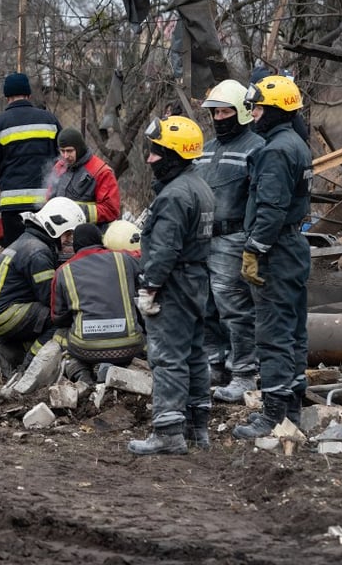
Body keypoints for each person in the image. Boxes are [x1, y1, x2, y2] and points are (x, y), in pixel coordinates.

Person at [128, 115, 215, 456]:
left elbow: (164, 249)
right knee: (194, 354)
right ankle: (197, 427)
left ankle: (167, 431)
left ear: (176, 155)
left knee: (167, 357)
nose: (150, 159)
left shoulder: (174, 196)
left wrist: (149, 288)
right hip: (196, 281)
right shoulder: (199, 186)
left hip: (174, 284)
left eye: (157, 152)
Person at [233, 75, 312, 439]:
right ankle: (292, 410)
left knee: (273, 333)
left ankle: (274, 416)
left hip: (276, 251)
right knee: (294, 330)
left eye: (259, 107)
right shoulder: (295, 142)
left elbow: (270, 207)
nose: (254, 113)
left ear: (278, 110)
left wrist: (254, 250)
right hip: (294, 247)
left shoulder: (276, 150)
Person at [195, 79, 265, 402]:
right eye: (215, 112)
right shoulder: (206, 149)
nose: (219, 118)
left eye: (225, 112)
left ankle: (244, 373)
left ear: (241, 112)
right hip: (204, 237)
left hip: (234, 237)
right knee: (206, 305)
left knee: (234, 307)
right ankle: (215, 364)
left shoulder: (256, 147)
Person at [0, 196, 85, 377]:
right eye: (68, 234)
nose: (69, 239)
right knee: (60, 319)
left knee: (44, 319)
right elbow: (50, 299)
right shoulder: (38, 252)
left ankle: (9, 353)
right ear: (56, 226)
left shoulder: (29, 241)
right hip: (6, 315)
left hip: (0, 314)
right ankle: (30, 367)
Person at [51, 223, 144, 384]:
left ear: (75, 246)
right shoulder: (124, 258)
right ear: (101, 240)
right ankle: (127, 367)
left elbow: (57, 317)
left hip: (86, 349)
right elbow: (146, 263)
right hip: (129, 346)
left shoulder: (63, 271)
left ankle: (80, 374)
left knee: (59, 335)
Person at [0, 72, 61, 246]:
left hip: (12, 205)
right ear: (29, 95)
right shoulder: (49, 120)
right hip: (44, 204)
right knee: (46, 252)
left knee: (16, 256)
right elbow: (64, 157)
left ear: (6, 96)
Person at [46, 127, 121, 230]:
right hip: (60, 231)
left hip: (89, 235)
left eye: (69, 151)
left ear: (79, 148)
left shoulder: (101, 172)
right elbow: (49, 198)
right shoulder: (60, 166)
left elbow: (111, 210)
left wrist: (75, 211)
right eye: (62, 151)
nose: (65, 156)